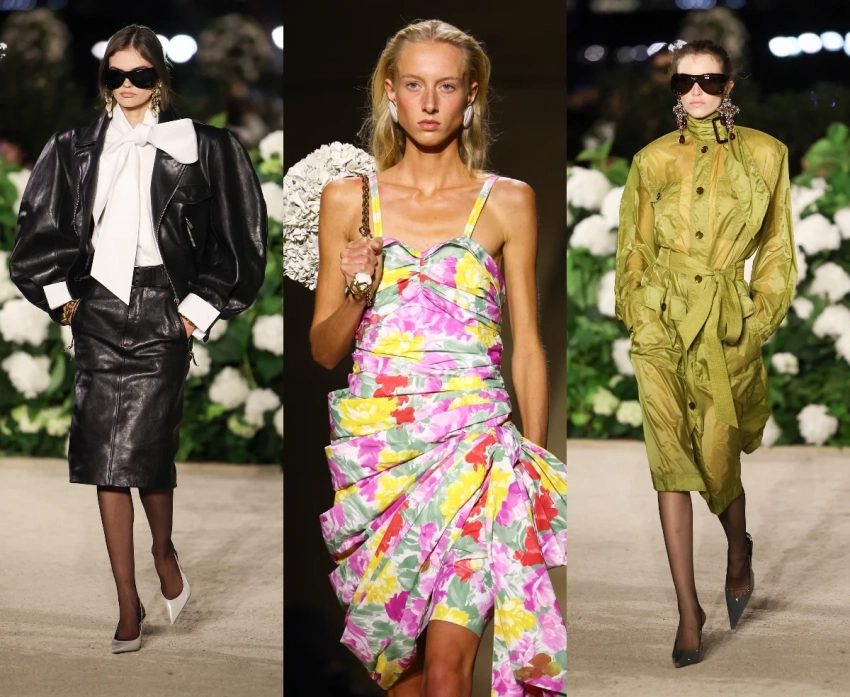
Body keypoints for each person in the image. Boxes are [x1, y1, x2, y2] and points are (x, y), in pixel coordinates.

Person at [310, 19, 566, 697]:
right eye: (414, 85)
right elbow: (325, 349)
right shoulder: (349, 200)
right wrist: (359, 286)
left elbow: (528, 343)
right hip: (382, 458)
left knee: (450, 671)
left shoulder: (508, 200)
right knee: (403, 674)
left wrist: (532, 467)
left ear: (470, 95)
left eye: (446, 86)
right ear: (390, 92)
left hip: (476, 452)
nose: (429, 103)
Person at [9, 25, 267, 653]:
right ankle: (128, 599)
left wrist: (196, 310)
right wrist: (62, 299)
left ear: (160, 79)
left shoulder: (203, 146)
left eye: (140, 74)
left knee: (147, 447)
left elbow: (240, 236)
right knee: (105, 455)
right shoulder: (72, 148)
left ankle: (163, 550)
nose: (127, 85)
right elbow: (38, 231)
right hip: (99, 308)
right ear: (104, 81)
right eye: (115, 74)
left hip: (162, 310)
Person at [615, 39, 797, 667]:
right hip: (661, 323)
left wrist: (756, 316)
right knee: (670, 461)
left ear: (729, 86)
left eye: (710, 81)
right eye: (684, 81)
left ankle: (738, 551)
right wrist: (641, 314)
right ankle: (688, 610)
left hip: (724, 324)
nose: (696, 92)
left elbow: (777, 247)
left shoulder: (767, 155)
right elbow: (633, 249)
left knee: (719, 459)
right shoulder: (651, 159)